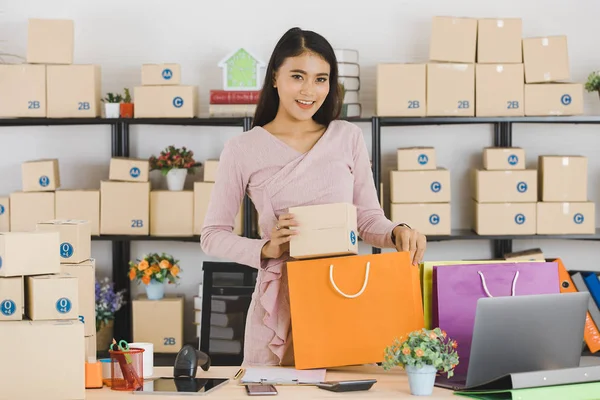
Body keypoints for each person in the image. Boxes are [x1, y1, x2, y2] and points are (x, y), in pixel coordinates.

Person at [200, 27, 427, 367]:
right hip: (278, 305)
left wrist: (398, 232)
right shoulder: (242, 149)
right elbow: (212, 235)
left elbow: (366, 219)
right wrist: (265, 249)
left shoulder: (347, 137)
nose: (309, 90)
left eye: (321, 79)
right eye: (297, 76)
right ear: (275, 77)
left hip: (343, 294)